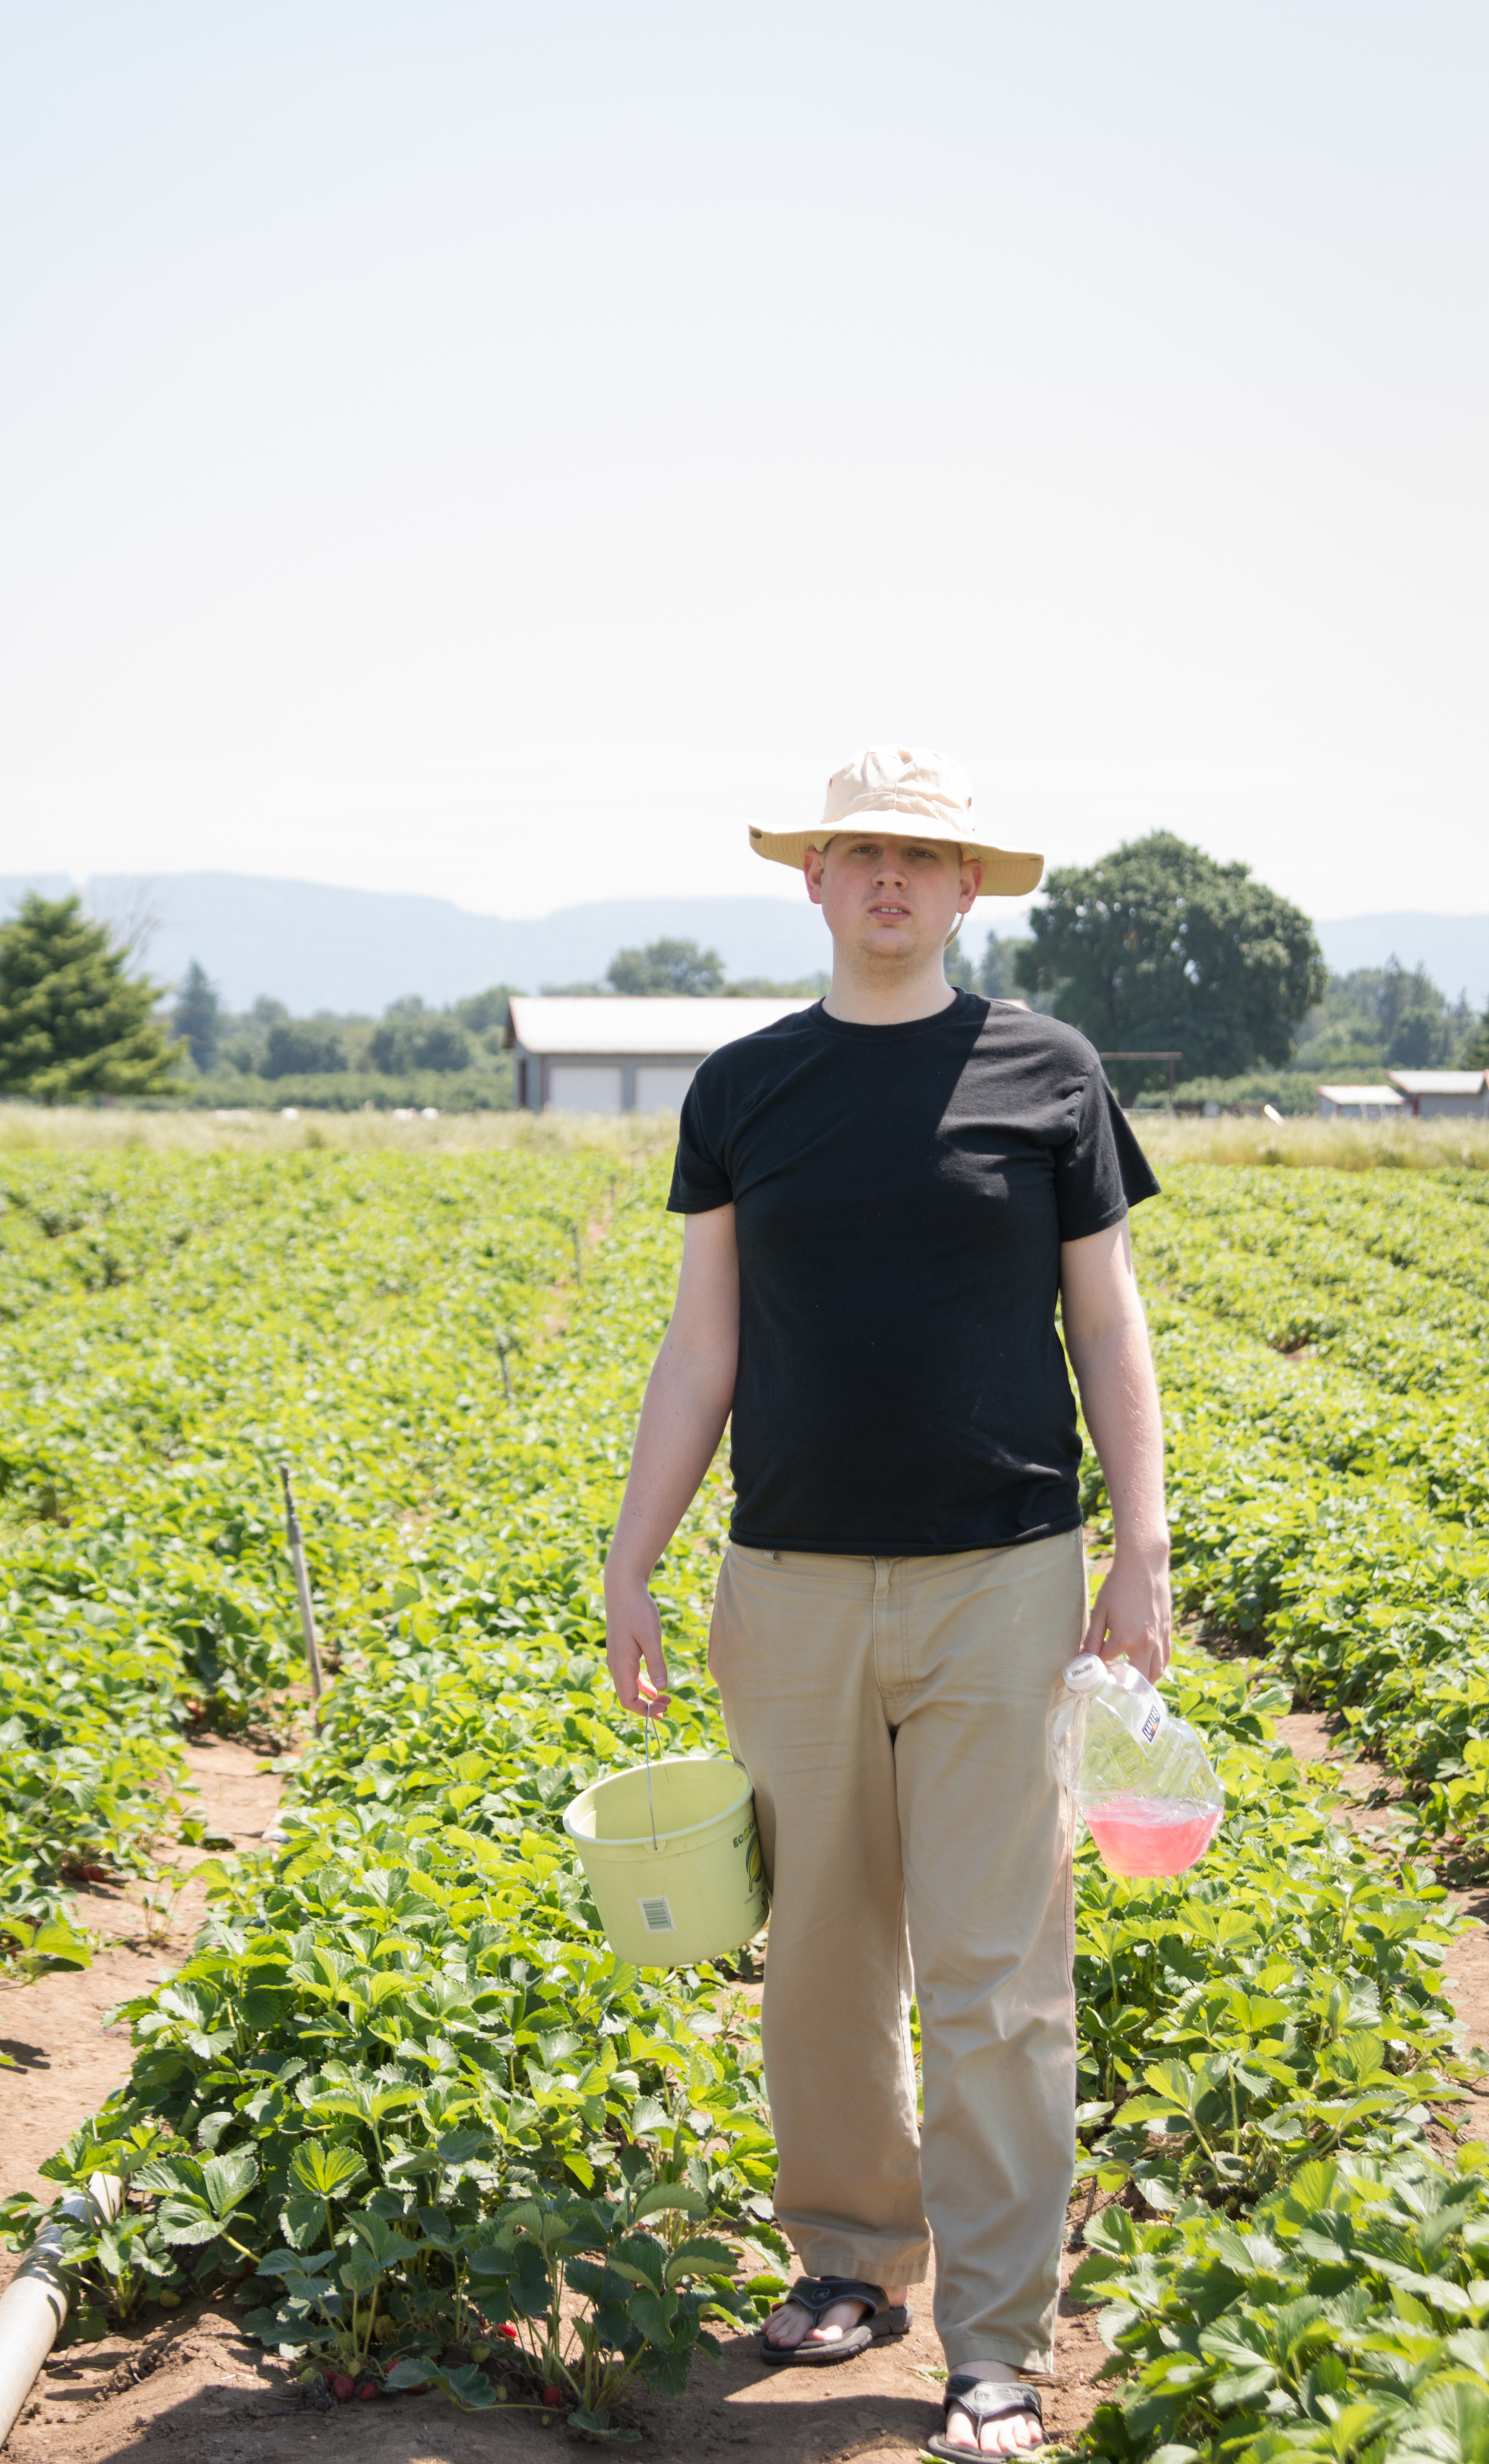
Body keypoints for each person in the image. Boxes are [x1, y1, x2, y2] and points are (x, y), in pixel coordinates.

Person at [602, 749, 1169, 2462]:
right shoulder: (747, 1086)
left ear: (968, 886)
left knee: (997, 1969)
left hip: (1005, 1577)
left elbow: (1107, 1321)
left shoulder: (1048, 1072)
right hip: (788, 1580)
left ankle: (996, 2340)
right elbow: (702, 1341)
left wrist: (1141, 1548)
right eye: (861, 851)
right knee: (824, 1953)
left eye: (923, 855)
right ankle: (849, 2258)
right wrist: (635, 1557)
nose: (890, 878)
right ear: (816, 880)